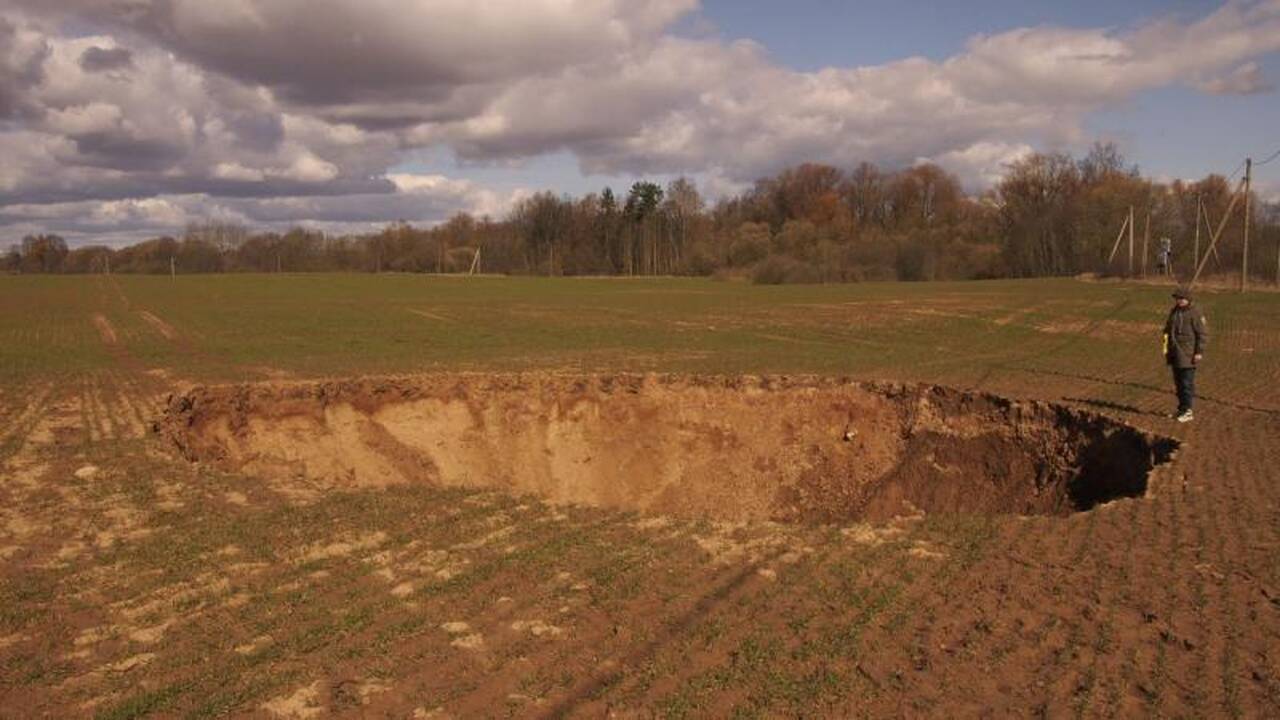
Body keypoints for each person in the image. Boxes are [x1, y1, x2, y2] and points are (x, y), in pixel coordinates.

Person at [1163, 287, 1207, 422]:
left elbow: (1202, 334)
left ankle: (1188, 411)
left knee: (1186, 383)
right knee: (1178, 383)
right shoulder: (1174, 312)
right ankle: (1181, 409)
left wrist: (1199, 352)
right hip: (1175, 352)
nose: (1179, 301)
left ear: (1188, 299)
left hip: (1188, 354)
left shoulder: (1195, 313)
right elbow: (1168, 329)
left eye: (1181, 298)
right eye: (1177, 298)